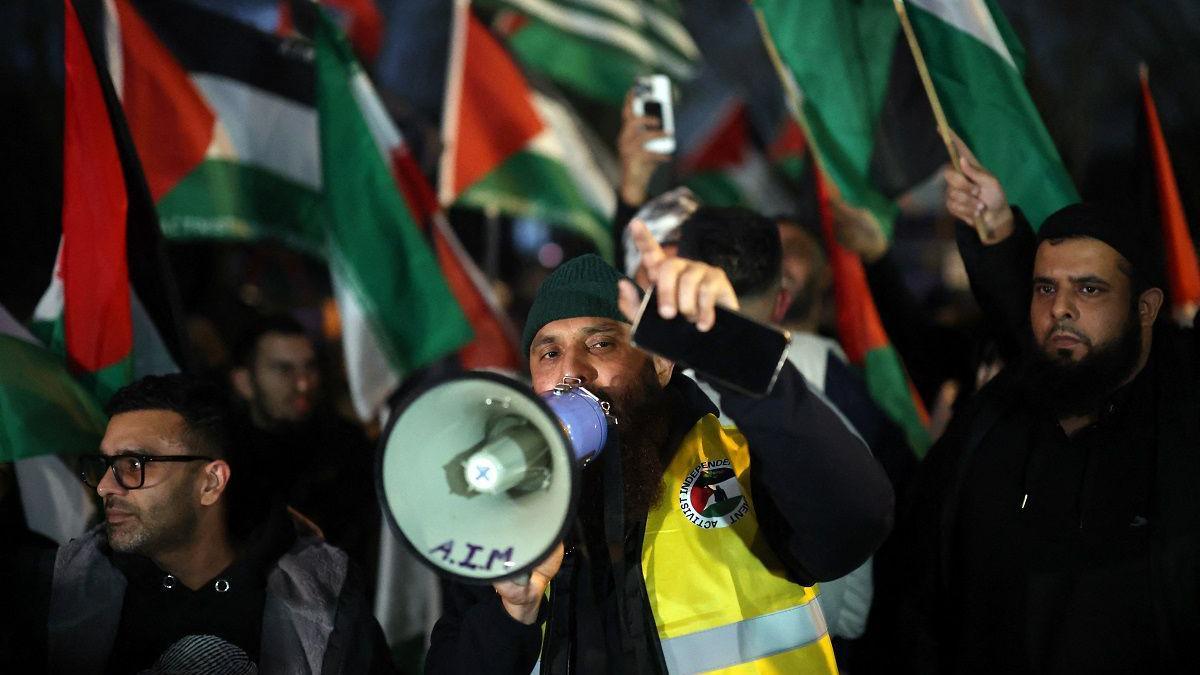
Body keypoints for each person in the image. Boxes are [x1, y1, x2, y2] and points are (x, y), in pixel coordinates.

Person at [426, 220, 894, 673]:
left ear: (662, 364)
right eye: (549, 352)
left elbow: (855, 522)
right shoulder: (499, 515)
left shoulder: (736, 465)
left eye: (603, 343)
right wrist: (510, 616)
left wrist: (736, 351)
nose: (572, 371)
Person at [890, 136, 1199, 672]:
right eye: (1044, 289)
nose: (1061, 310)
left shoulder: (1182, 421)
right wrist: (996, 232)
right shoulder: (989, 426)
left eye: (1090, 290)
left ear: (1145, 308)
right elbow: (917, 598)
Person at [25, 374, 393, 673]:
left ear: (211, 482)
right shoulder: (60, 589)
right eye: (104, 464)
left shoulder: (322, 599)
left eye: (134, 465)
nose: (105, 486)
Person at [230, 315, 379, 575]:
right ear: (244, 382)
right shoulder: (224, 460)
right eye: (283, 370)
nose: (303, 384)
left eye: (309, 367)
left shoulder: (347, 446)